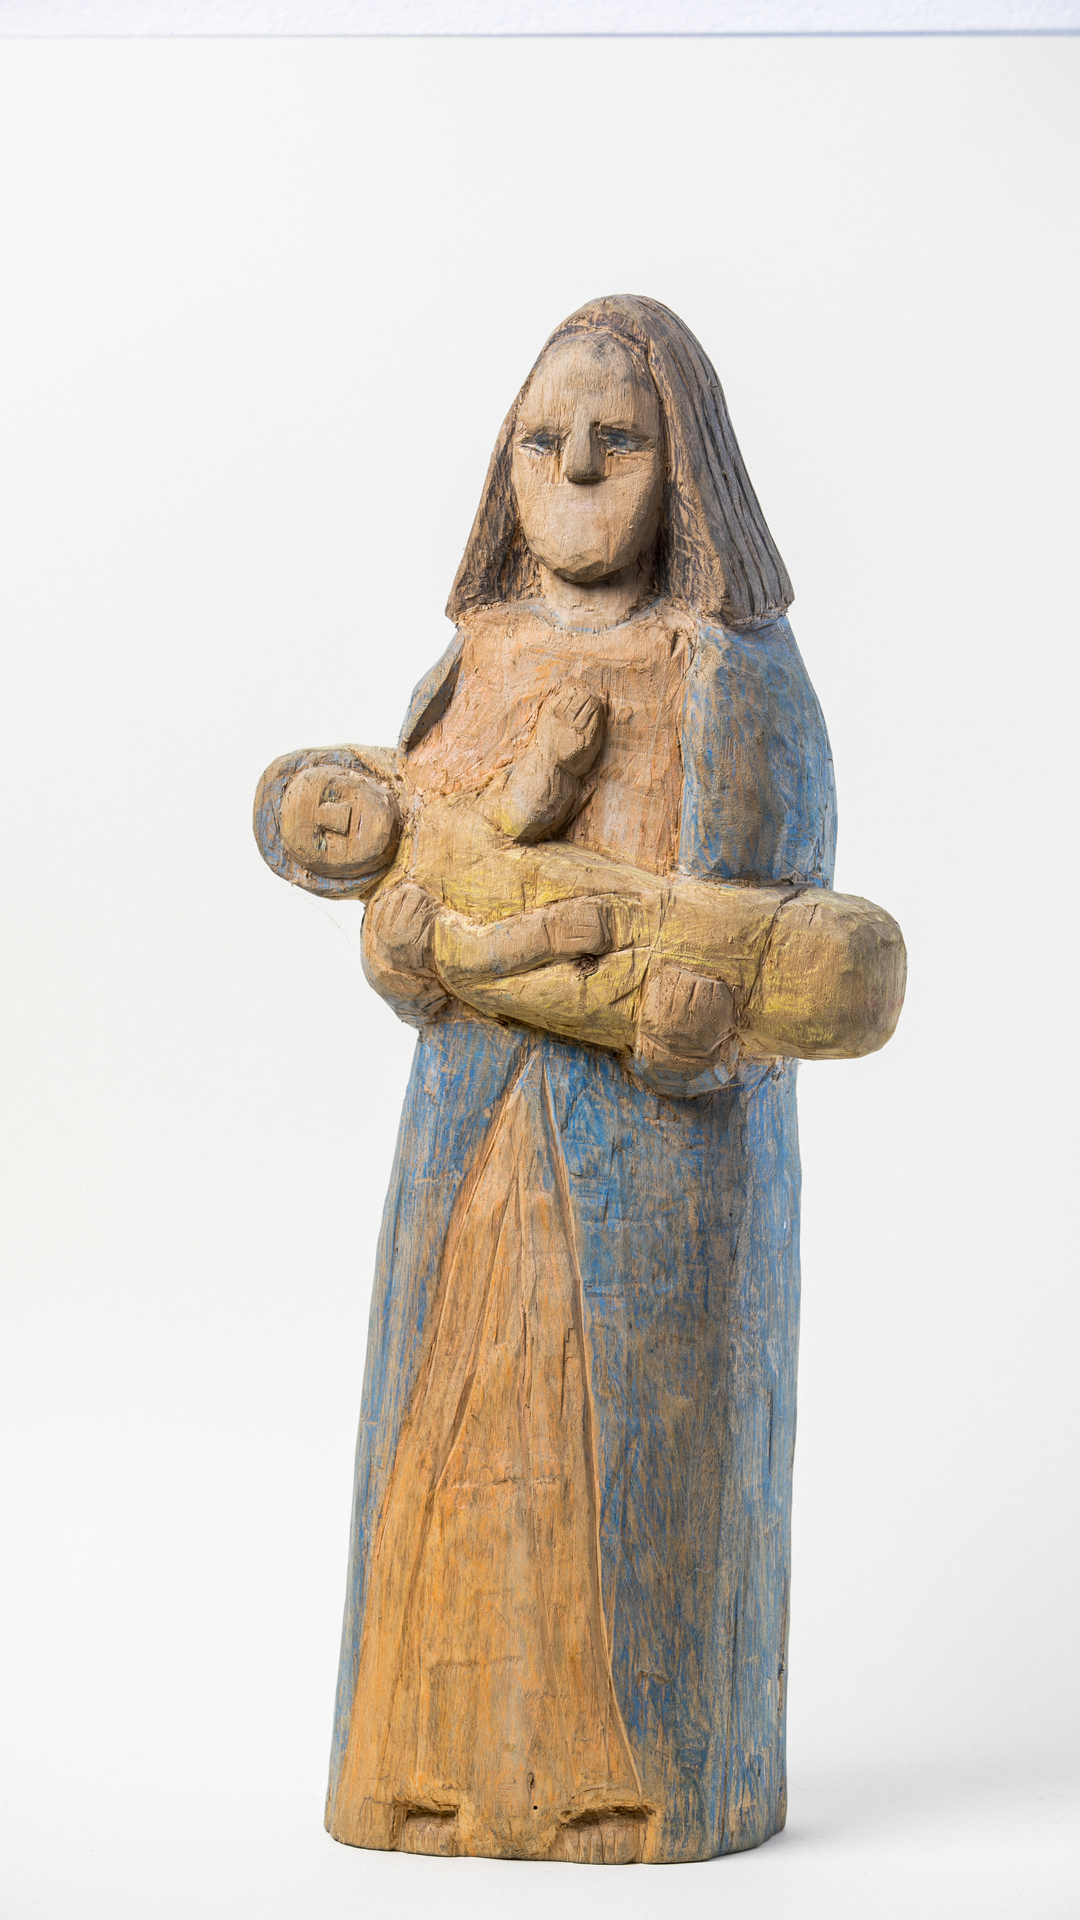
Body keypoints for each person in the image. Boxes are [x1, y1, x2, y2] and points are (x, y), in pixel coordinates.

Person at [260, 297, 893, 1864]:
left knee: (635, 1456)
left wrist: (705, 1034)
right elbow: (400, 885)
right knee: (457, 1441)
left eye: (620, 438)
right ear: (505, 468)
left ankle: (644, 1773)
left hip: (660, 1176)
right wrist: (402, 957)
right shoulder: (470, 665)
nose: (580, 467)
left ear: (689, 471)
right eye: (544, 440)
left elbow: (791, 952)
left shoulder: (737, 676)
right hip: (467, 1150)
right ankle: (428, 1773)